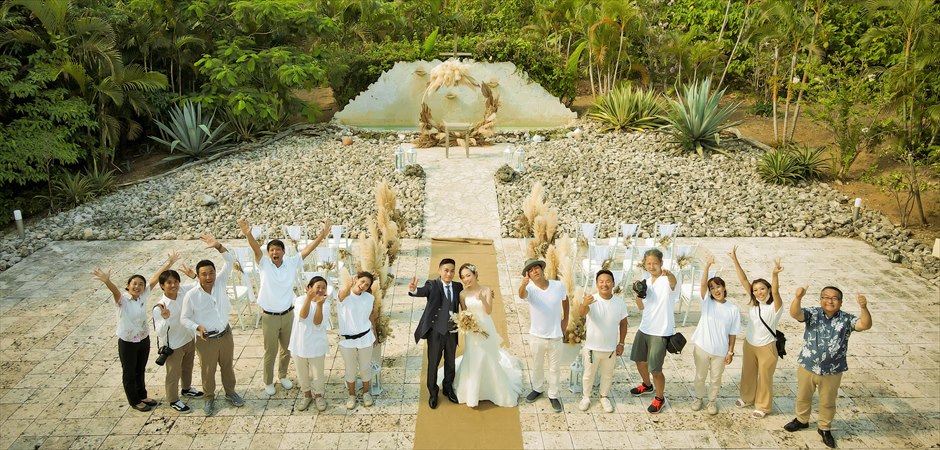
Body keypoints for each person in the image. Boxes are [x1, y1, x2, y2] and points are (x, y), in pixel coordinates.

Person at [238, 218, 331, 396]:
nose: (275, 252)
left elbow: (308, 250)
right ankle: (268, 381)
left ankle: (283, 375)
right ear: (268, 253)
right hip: (269, 316)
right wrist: (248, 234)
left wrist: (321, 236)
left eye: (278, 249)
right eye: (272, 250)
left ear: (283, 252)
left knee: (287, 349)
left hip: (288, 314)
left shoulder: (290, 262)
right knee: (270, 351)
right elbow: (256, 249)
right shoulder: (264, 264)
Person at [784, 286, 872, 448]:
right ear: (820, 300)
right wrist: (798, 297)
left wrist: (863, 307)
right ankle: (802, 420)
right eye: (826, 297)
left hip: (833, 370)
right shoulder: (813, 313)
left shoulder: (846, 319)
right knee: (803, 396)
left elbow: (865, 325)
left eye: (834, 298)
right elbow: (795, 314)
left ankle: (824, 427)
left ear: (840, 302)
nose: (830, 301)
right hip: (808, 365)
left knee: (828, 401)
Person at [92, 253, 178, 412]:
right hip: (128, 342)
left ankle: (142, 395)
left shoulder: (142, 296)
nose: (137, 286)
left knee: (140, 368)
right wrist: (107, 281)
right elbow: (115, 292)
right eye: (134, 284)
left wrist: (169, 264)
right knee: (129, 372)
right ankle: (134, 400)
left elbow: (154, 278)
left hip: (143, 338)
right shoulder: (122, 300)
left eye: (140, 284)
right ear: (128, 285)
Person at [180, 234, 244, 416]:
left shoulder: (220, 282)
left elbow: (230, 260)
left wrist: (218, 246)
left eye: (211, 273)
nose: (209, 277)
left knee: (227, 366)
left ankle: (231, 392)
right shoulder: (192, 295)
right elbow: (184, 319)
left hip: (225, 335)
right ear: (198, 276)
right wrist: (197, 328)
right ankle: (209, 398)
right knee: (208, 371)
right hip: (206, 339)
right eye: (204, 274)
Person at [447, 263, 523, 407]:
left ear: (475, 275)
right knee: (473, 357)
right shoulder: (462, 294)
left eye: (468, 275)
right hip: (471, 331)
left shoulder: (487, 290)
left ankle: (493, 390)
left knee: (487, 356)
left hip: (486, 327)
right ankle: (472, 393)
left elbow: (488, 311)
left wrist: (482, 299)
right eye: (463, 277)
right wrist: (467, 324)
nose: (466, 279)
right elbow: (464, 312)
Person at [729, 246, 784, 418]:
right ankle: (746, 397)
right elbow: (744, 280)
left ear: (768, 289)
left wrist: (774, 275)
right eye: (755, 290)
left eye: (762, 289)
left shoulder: (775, 307)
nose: (758, 292)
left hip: (767, 347)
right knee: (748, 372)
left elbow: (776, 290)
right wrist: (734, 259)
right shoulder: (754, 303)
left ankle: (763, 405)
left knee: (765, 377)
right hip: (749, 344)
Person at [689, 255, 741, 415]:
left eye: (718, 287)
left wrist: (730, 352)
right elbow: (702, 284)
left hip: (720, 351)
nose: (716, 290)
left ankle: (712, 402)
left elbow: (733, 333)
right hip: (702, 347)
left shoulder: (733, 309)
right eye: (713, 288)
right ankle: (698, 398)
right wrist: (707, 266)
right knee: (700, 376)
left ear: (724, 288)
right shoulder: (707, 303)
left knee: (715, 379)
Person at [153, 258, 205, 413]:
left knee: (187, 367)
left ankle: (187, 388)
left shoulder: (182, 292)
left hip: (188, 338)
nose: (173, 285)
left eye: (176, 281)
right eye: (169, 283)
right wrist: (166, 318)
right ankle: (173, 399)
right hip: (174, 345)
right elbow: (159, 332)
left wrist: (193, 275)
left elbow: (199, 286)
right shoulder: (160, 307)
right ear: (162, 286)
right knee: (173, 373)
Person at [409, 258, 463, 409]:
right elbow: (422, 291)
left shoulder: (458, 286)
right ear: (439, 271)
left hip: (451, 331)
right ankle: (433, 393)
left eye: (452, 271)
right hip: (435, 333)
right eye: (446, 270)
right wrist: (414, 290)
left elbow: (467, 296)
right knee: (433, 363)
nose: (449, 273)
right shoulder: (432, 285)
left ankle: (448, 388)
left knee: (450, 361)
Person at [630, 248, 677, 414]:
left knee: (655, 369)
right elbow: (641, 306)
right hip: (645, 327)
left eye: (654, 263)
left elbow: (673, 281)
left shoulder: (667, 281)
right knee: (639, 360)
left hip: (661, 331)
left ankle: (659, 397)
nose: (651, 266)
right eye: (648, 263)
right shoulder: (647, 282)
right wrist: (638, 293)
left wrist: (668, 273)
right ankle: (647, 385)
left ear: (661, 264)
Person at [518, 259, 569, 413]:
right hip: (536, 336)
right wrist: (523, 284)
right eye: (531, 270)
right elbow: (521, 296)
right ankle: (537, 388)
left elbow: (565, 301)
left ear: (542, 269)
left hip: (555, 336)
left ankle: (553, 394)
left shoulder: (557, 285)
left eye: (537, 268)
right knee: (537, 365)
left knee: (554, 368)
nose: (535, 271)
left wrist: (565, 321)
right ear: (529, 275)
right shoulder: (530, 289)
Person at [578, 269, 628, 413]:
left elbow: (623, 323)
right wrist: (584, 304)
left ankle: (603, 396)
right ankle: (586, 397)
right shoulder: (591, 300)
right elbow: (581, 314)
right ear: (597, 283)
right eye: (601, 281)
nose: (604, 284)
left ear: (613, 284)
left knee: (607, 374)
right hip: (592, 348)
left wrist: (622, 343)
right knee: (588, 374)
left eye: (607, 281)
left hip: (610, 349)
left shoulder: (619, 303)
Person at [288, 276, 331, 412]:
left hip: (316, 345)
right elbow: (303, 315)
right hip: (299, 344)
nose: (320, 290)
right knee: (302, 373)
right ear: (309, 288)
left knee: (318, 374)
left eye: (323, 287)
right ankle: (307, 395)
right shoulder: (300, 300)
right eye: (317, 287)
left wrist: (319, 304)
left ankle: (318, 396)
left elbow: (317, 322)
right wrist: (308, 298)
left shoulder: (326, 304)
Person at [337, 271, 378, 409]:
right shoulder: (344, 295)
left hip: (365, 338)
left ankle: (366, 393)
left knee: (365, 367)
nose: (363, 286)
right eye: (362, 282)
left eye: (367, 285)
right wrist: (349, 285)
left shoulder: (369, 298)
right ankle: (352, 395)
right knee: (350, 369)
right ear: (356, 280)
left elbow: (370, 316)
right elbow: (341, 296)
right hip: (347, 341)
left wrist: (375, 335)